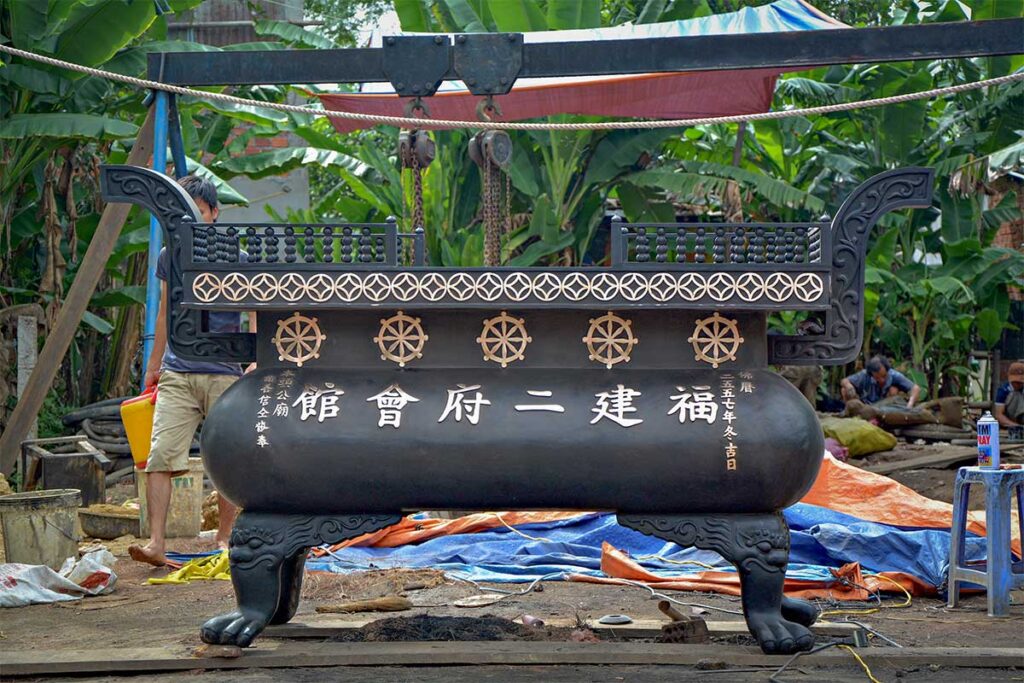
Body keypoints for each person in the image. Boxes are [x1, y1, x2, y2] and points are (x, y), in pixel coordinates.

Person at [129, 175, 252, 567]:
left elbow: (255, 310)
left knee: (229, 458)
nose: (193, 221)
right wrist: (153, 366)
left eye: (199, 213)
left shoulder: (239, 258)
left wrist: (253, 361)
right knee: (160, 455)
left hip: (224, 372)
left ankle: (225, 538)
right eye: (186, 213)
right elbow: (166, 311)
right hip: (177, 372)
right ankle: (156, 543)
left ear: (214, 214)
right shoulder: (169, 256)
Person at [840, 355, 920, 408]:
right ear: (871, 374)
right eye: (877, 377)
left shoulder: (894, 375)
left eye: (884, 376)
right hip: (865, 406)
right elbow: (844, 381)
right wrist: (849, 386)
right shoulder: (864, 375)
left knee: (894, 390)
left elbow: (915, 388)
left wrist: (910, 404)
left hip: (885, 406)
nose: (882, 380)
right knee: (845, 390)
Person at [994, 361, 1024, 429]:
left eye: (1020, 382)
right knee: (1015, 395)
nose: (1018, 384)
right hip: (1010, 419)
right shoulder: (1003, 390)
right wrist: (1016, 426)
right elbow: (998, 414)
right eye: (1015, 382)